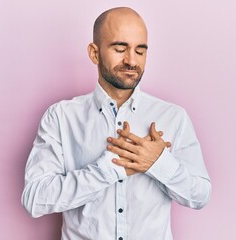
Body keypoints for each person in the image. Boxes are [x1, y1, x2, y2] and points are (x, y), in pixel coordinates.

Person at [22, 7, 211, 240]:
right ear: (94, 53)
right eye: (120, 49)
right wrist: (109, 170)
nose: (132, 60)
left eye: (140, 51)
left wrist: (159, 163)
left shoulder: (173, 117)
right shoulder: (61, 117)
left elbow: (200, 195)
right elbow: (34, 199)